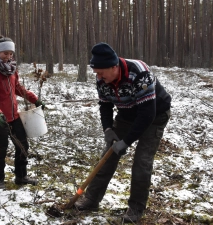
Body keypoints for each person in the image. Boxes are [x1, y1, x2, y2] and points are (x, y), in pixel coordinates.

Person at [74, 42, 171, 222]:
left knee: (142, 162)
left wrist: (126, 141)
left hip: (155, 115)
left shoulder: (140, 73)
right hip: (127, 114)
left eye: (101, 73)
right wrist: (108, 130)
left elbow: (147, 114)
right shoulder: (102, 78)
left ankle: (136, 208)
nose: (99, 77)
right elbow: (105, 105)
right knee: (108, 156)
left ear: (114, 66)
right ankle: (92, 199)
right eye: (97, 73)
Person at [0, 36, 45, 191]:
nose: (8, 57)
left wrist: (35, 100)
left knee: (23, 146)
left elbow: (18, 89)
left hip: (14, 117)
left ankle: (21, 177)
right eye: (5, 53)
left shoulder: (12, 69)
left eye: (11, 53)